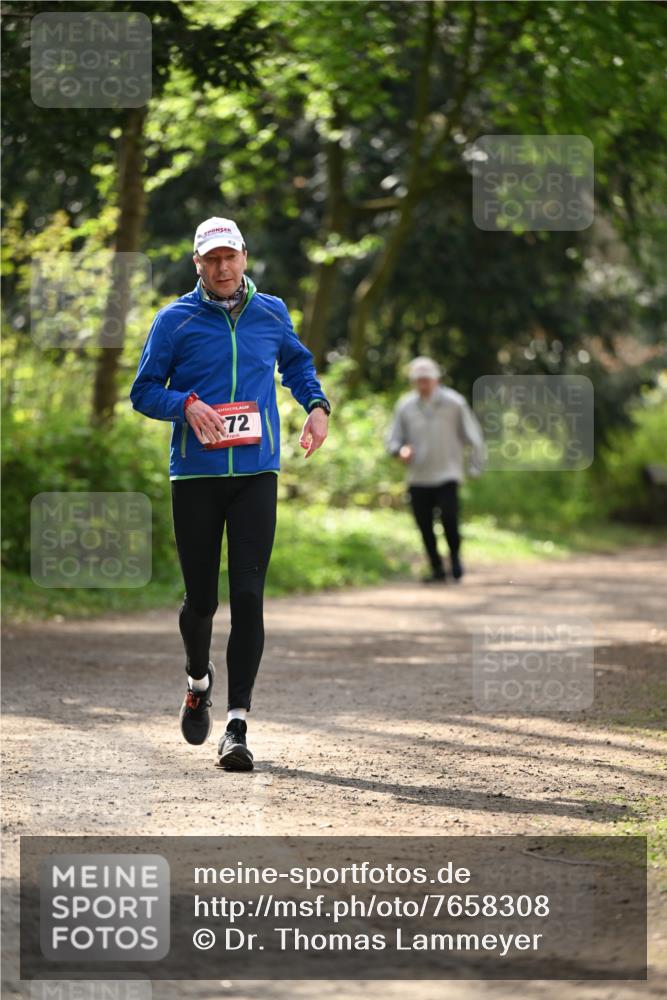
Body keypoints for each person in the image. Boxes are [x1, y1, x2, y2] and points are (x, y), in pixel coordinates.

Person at [130, 217, 330, 771]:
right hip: (195, 477)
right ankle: (198, 681)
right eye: (210, 259)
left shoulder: (271, 311)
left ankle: (237, 726)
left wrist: (316, 406)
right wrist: (185, 405)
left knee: (248, 596)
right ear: (197, 263)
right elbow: (143, 391)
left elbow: (296, 362)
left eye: (230, 257)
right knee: (202, 601)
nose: (222, 268)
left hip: (256, 476)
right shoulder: (174, 320)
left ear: (245, 256)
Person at [386, 356, 484, 583]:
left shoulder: (454, 403)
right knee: (424, 526)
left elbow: (474, 437)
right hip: (418, 476)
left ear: (437, 379)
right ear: (413, 382)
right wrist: (400, 451)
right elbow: (392, 440)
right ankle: (437, 568)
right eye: (418, 380)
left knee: (450, 519)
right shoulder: (405, 406)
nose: (423, 384)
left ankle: (456, 560)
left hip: (448, 473)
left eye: (427, 380)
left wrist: (475, 467)